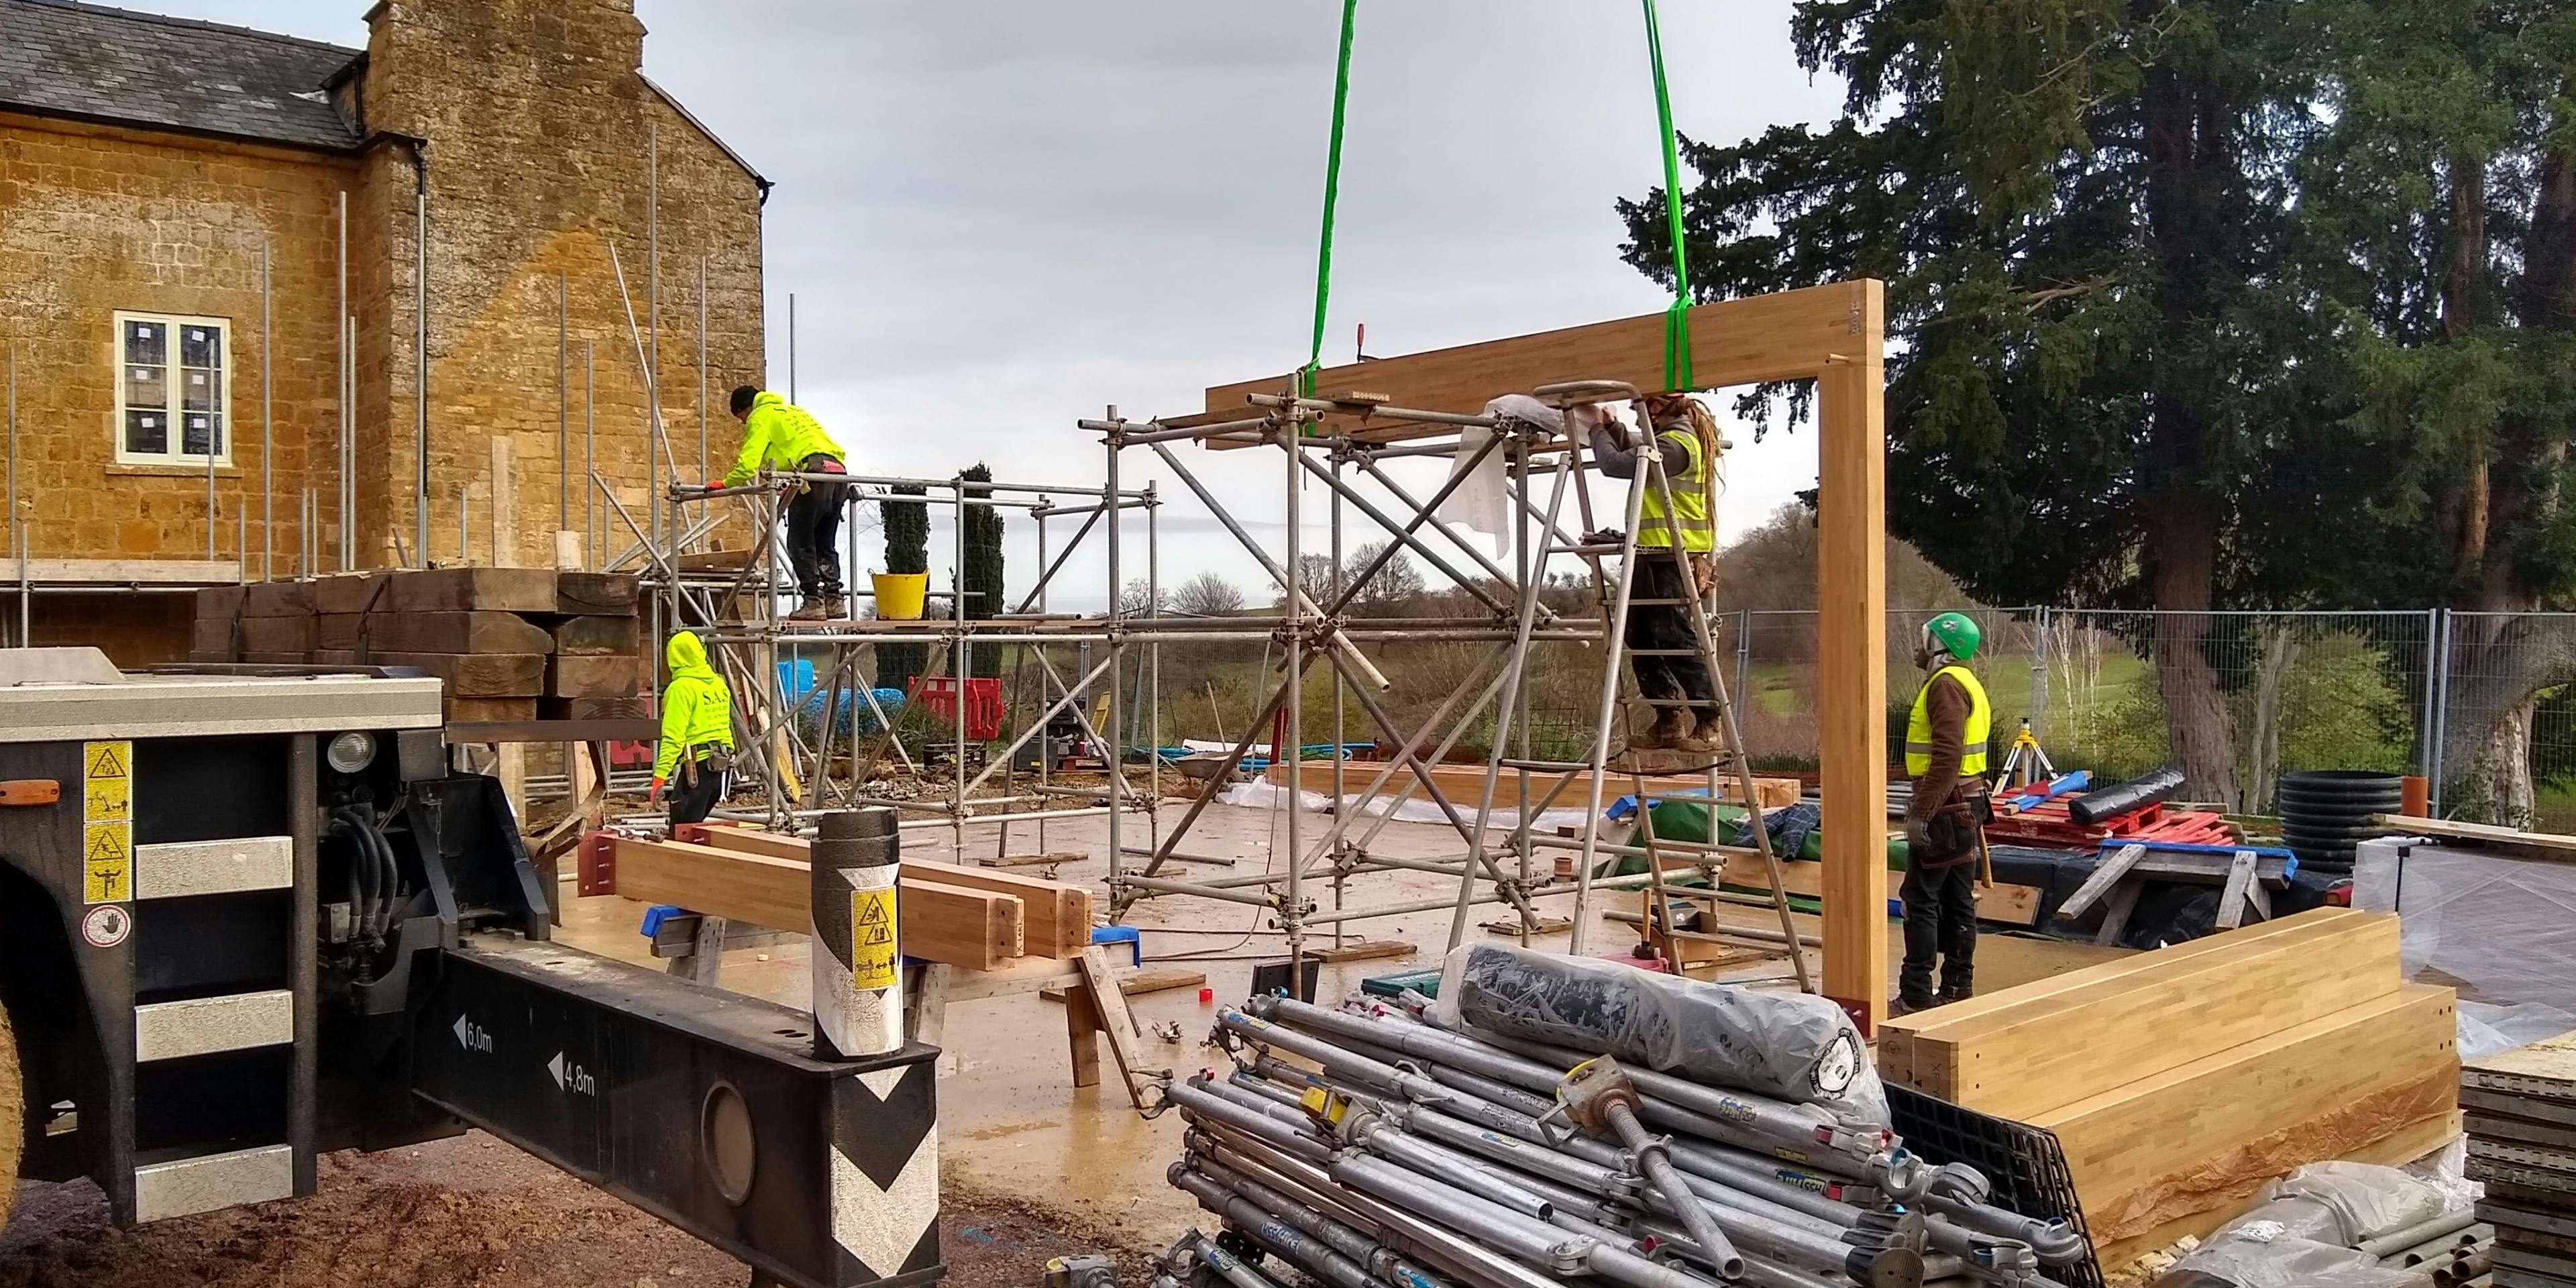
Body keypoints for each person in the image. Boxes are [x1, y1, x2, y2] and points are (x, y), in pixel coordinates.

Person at [1589, 392, 1723, 752]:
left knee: (1676, 638)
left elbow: (1616, 464)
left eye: (1638, 410)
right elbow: (1634, 446)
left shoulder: (1678, 445)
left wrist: (1593, 429)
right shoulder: (1665, 442)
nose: (1635, 419)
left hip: (1672, 556)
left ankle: (1709, 721)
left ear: (1656, 408)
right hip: (1648, 554)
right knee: (1639, 638)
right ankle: (1668, 719)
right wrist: (1611, 426)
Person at [1897, 611, 1993, 1014]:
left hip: (1947, 806)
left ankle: (1916, 995)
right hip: (1966, 803)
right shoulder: (1967, 681)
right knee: (1957, 900)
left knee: (1919, 898)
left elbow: (1948, 754)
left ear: (1943, 647)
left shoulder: (1945, 686)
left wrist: (1922, 812)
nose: (1920, 647)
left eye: (1926, 639)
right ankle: (1957, 987)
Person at [722, 386, 850, 621]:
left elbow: (748, 462)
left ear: (745, 409)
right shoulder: (792, 412)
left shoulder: (761, 415)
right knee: (824, 543)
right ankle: (834, 600)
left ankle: (813, 602)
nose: (743, 423)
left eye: (740, 417)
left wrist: (726, 484)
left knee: (799, 542)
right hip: (837, 473)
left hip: (810, 474)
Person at [649, 630, 737, 826]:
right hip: (718, 768)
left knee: (681, 831)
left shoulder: (681, 689)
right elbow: (725, 727)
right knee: (693, 829)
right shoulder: (718, 684)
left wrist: (660, 777)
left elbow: (673, 737)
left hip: (696, 770)